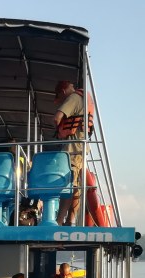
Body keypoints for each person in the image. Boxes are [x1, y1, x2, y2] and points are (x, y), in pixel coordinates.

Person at [52, 80, 95, 226]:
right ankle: (70, 219)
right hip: (82, 149)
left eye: (60, 98)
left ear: (63, 92)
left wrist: (59, 128)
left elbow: (57, 118)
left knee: (68, 184)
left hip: (73, 149)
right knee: (76, 185)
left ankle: (59, 220)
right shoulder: (84, 98)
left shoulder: (73, 98)